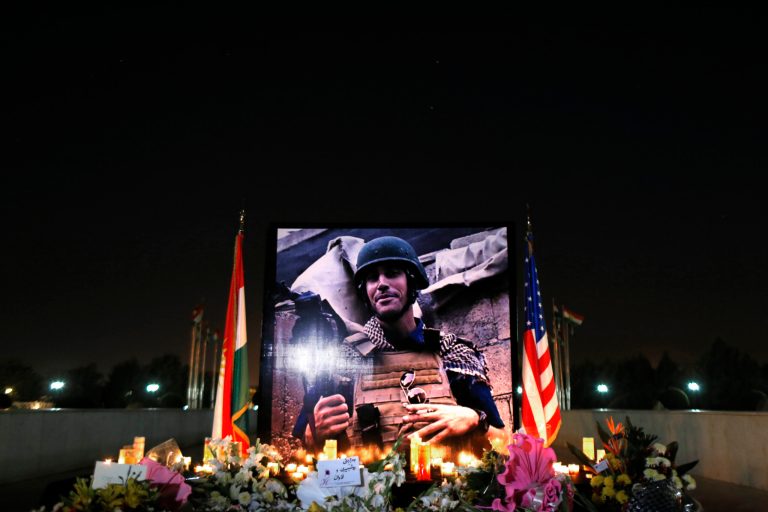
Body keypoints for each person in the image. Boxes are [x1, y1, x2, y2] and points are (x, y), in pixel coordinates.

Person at [293, 235, 504, 454]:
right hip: (367, 486)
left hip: (446, 486)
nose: (382, 284)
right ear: (365, 292)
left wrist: (475, 421)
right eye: (373, 278)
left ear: (411, 283)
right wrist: (313, 435)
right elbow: (305, 449)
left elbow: (503, 442)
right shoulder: (342, 362)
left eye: (392, 273)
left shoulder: (453, 353)